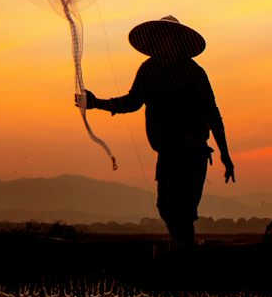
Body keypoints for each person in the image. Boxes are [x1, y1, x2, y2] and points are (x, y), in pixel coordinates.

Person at [81, 15, 234, 245]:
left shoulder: (194, 72)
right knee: (166, 208)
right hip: (167, 153)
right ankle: (184, 255)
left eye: (168, 38)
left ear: (178, 42)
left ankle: (186, 259)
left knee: (183, 211)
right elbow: (132, 102)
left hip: (193, 153)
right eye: (160, 38)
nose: (163, 42)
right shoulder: (149, 70)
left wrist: (225, 154)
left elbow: (212, 113)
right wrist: (97, 103)